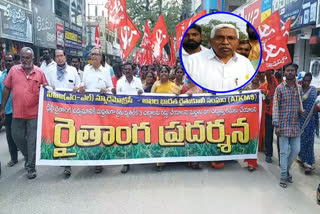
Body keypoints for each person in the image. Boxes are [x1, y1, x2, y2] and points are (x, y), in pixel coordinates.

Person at [0, 47, 48, 179]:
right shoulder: (14, 71)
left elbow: (46, 91)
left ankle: (31, 167)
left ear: (33, 58)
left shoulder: (39, 73)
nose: (25, 60)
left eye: (28, 58)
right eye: (23, 57)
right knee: (17, 138)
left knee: (32, 140)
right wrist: (2, 108)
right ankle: (28, 155)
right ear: (20, 58)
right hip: (17, 114)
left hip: (34, 114)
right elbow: (7, 89)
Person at [185, 24, 255, 91]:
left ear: (237, 42)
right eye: (220, 38)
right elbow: (180, 88)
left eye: (231, 38)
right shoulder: (192, 61)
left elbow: (253, 87)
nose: (225, 42)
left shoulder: (245, 63)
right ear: (211, 41)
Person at [46, 49, 81, 177]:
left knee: (68, 133)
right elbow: (46, 87)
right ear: (55, 58)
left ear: (65, 57)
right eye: (57, 56)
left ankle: (67, 164)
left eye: (61, 56)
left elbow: (79, 85)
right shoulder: (49, 71)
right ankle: (60, 155)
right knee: (57, 133)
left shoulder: (73, 71)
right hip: (56, 108)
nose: (60, 58)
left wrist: (78, 89)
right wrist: (49, 89)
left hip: (70, 109)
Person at [80, 47, 114, 174]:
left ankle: (99, 161)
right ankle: (91, 157)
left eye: (95, 54)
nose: (93, 56)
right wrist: (81, 88)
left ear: (100, 57)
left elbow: (111, 87)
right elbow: (82, 85)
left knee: (100, 133)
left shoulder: (106, 71)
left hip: (102, 108)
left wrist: (107, 90)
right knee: (89, 132)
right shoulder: (86, 70)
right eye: (91, 54)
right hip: (88, 108)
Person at [273, 62, 303, 188]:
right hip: (283, 125)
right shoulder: (280, 88)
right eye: (288, 70)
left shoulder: (299, 88)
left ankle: (287, 170)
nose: (290, 72)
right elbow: (275, 107)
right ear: (284, 72)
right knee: (284, 152)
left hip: (295, 125)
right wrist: (276, 125)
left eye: (292, 70)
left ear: (295, 72)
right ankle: (284, 176)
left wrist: (301, 111)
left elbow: (300, 107)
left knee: (296, 150)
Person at [115, 63, 144, 173]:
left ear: (133, 71)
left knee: (137, 136)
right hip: (124, 115)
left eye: (129, 69)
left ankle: (138, 157)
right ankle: (126, 162)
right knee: (125, 138)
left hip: (136, 114)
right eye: (125, 69)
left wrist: (141, 92)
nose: (127, 71)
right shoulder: (119, 82)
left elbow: (142, 96)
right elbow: (117, 99)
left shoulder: (138, 81)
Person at [151, 65, 181, 171]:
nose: (164, 73)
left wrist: (179, 96)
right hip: (159, 116)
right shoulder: (156, 85)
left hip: (171, 116)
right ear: (159, 74)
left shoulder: (173, 86)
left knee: (170, 136)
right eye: (162, 72)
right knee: (160, 137)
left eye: (165, 72)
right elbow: (150, 99)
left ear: (169, 74)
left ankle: (171, 159)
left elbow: (180, 98)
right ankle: (160, 162)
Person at [297, 72, 318, 174]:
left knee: (309, 141)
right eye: (305, 80)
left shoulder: (313, 90)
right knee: (301, 141)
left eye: (308, 81)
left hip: (310, 120)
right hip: (299, 120)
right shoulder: (298, 90)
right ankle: (302, 158)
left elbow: (315, 104)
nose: (307, 82)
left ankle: (308, 163)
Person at [0, 54, 18, 167]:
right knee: (9, 135)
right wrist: (1, 109)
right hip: (7, 111)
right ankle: (14, 158)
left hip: (19, 110)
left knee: (20, 135)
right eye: (7, 61)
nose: (8, 63)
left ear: (14, 62)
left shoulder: (19, 74)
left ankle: (27, 156)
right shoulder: (2, 77)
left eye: (10, 61)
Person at [260, 69, 280, 163]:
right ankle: (269, 154)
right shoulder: (271, 81)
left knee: (281, 137)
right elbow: (267, 73)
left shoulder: (285, 83)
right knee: (269, 136)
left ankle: (281, 158)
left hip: (280, 114)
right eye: (277, 70)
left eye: (281, 70)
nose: (279, 72)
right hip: (270, 113)